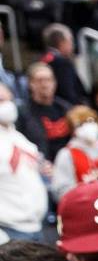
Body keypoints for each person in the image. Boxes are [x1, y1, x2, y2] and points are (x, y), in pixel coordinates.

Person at [0, 86, 47, 242]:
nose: (8, 105)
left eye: (10, 100)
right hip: (9, 230)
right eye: (1, 101)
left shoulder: (19, 137)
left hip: (37, 225)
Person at [23, 62, 73, 159]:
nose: (45, 84)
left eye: (48, 80)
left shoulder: (66, 109)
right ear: (30, 84)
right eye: (39, 80)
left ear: (54, 83)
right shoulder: (23, 113)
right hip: (41, 166)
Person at [40, 24, 88, 106]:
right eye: (70, 41)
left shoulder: (41, 60)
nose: (73, 46)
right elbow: (68, 93)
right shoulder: (62, 63)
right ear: (62, 42)